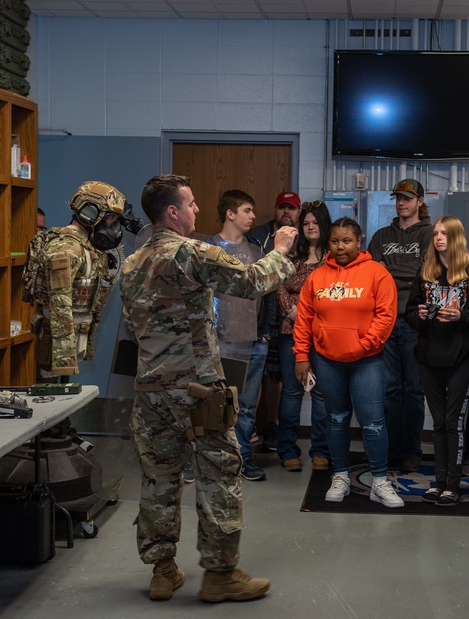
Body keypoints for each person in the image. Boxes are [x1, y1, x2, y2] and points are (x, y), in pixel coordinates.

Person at [120, 174, 297, 603]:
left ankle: (163, 572)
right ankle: (220, 575)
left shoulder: (133, 261)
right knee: (219, 476)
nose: (198, 210)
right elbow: (252, 283)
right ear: (173, 212)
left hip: (150, 391)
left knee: (159, 480)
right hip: (198, 390)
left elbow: (133, 328)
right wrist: (281, 252)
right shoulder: (191, 252)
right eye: (192, 204)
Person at [293, 217, 403, 508]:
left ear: (359, 241)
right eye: (335, 241)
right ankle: (340, 475)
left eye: (347, 241)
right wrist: (302, 356)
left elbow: (386, 317)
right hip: (328, 361)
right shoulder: (317, 276)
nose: (340, 247)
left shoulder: (377, 274)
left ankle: (379, 481)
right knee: (337, 419)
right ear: (328, 243)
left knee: (374, 424)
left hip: (367, 361)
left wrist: (362, 345)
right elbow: (304, 319)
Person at [405, 215, 469, 506]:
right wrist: (420, 317)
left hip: (461, 354)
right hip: (429, 355)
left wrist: (463, 315)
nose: (438, 238)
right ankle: (438, 482)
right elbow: (410, 314)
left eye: (444, 234)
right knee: (438, 422)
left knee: (453, 422)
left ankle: (453, 483)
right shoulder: (425, 273)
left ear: (456, 238)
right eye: (435, 233)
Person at [23, 181, 127, 378]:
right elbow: (59, 304)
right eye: (111, 218)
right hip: (57, 348)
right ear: (91, 214)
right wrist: (64, 361)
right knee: (53, 400)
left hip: (72, 343)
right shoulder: (66, 248)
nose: (113, 225)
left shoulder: (85, 246)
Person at [206, 190, 272, 482]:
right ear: (230, 214)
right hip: (215, 344)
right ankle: (211, 460)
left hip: (252, 342)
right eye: (247, 210)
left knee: (246, 406)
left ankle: (243, 458)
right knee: (212, 402)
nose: (253, 216)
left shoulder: (256, 251)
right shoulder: (206, 248)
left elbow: (267, 291)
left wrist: (265, 331)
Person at [367, 178, 433, 473]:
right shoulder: (381, 235)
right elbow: (371, 273)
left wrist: (392, 273)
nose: (401, 203)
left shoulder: (431, 234)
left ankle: (412, 451)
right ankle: (392, 449)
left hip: (415, 320)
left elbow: (424, 273)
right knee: (390, 389)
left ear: (420, 201)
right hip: (384, 318)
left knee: (414, 390)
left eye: (407, 198)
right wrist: (402, 277)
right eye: (398, 198)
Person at [276, 200, 332, 472]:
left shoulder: (334, 259)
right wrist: (292, 311)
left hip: (324, 334)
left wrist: (311, 311)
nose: (310, 227)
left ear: (324, 225)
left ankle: (320, 450)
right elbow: (279, 287)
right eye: (305, 223)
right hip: (291, 331)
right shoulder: (291, 257)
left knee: (321, 395)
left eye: (315, 223)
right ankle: (288, 450)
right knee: (291, 393)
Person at [249, 191, 300, 453]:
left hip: (291, 323)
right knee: (256, 372)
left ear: (298, 212)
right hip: (261, 314)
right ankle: (251, 428)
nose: (286, 213)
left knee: (279, 377)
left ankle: (272, 426)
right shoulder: (258, 235)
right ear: (275, 208)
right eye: (282, 207)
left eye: (291, 208)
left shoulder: (302, 238)